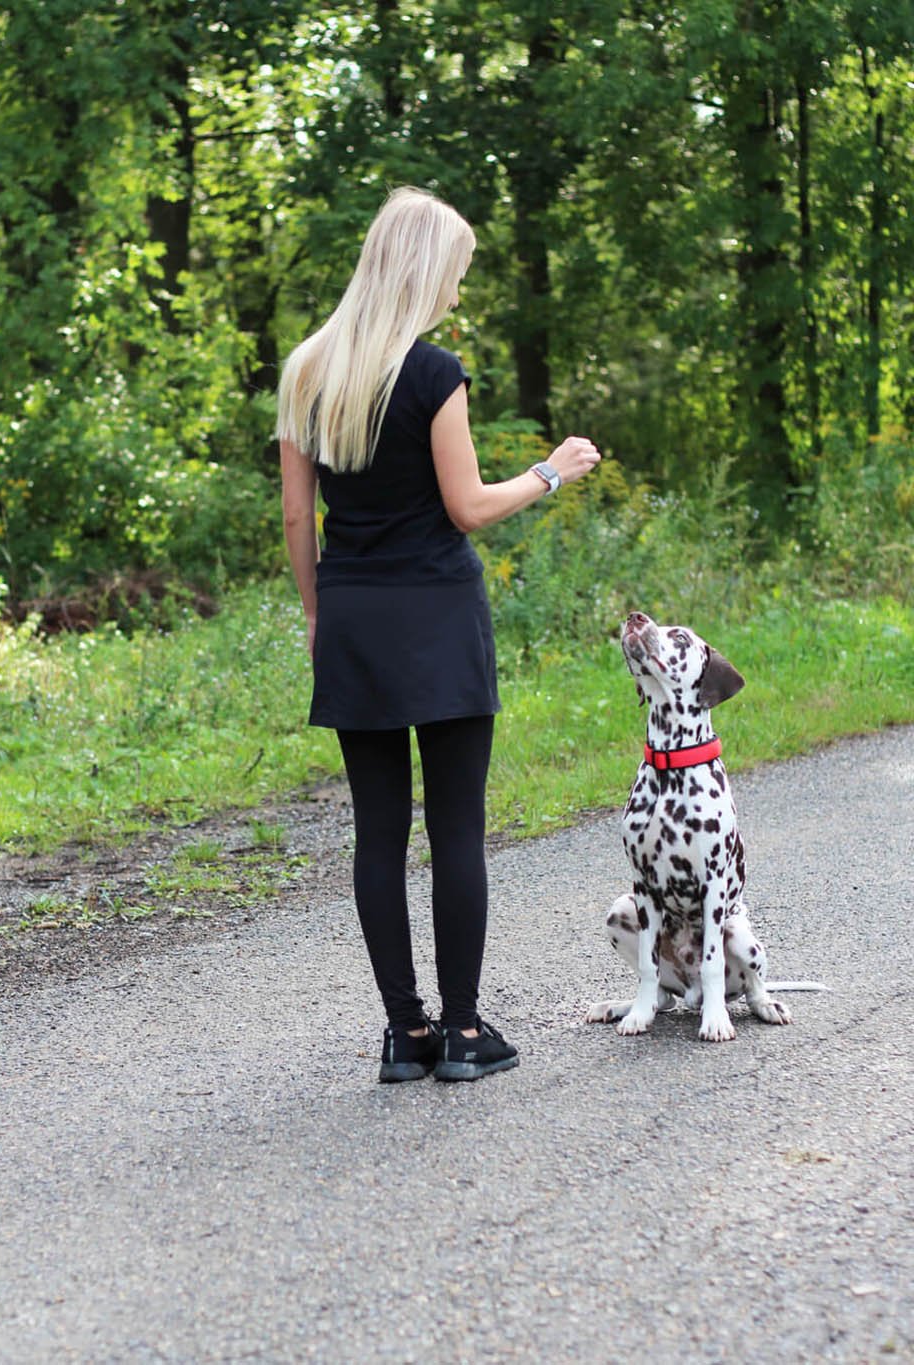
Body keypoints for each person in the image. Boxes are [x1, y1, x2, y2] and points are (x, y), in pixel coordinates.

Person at [277, 187, 600, 1084]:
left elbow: (298, 519)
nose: (456, 294)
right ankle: (461, 1033)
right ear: (423, 272)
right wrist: (551, 469)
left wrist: (315, 611)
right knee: (457, 828)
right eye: (455, 275)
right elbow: (467, 507)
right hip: (439, 619)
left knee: (377, 833)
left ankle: (403, 1033)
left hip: (353, 618)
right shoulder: (433, 373)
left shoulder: (308, 371)